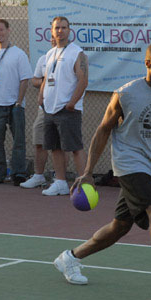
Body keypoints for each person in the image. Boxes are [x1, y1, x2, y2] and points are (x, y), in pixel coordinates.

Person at [52, 42, 151, 300]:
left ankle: (71, 257)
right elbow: (102, 131)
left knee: (120, 226)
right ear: (147, 64)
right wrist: (87, 172)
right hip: (127, 163)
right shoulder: (127, 94)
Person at [37, 16, 88, 196]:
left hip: (68, 110)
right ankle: (60, 182)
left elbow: (83, 80)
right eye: (57, 27)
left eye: (64, 27)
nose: (60, 30)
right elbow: (46, 77)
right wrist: (41, 95)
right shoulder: (50, 54)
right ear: (51, 31)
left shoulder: (77, 52)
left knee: (75, 147)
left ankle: (85, 184)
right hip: (49, 109)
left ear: (69, 30)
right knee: (55, 147)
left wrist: (72, 103)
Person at [0, 19, 32, 186]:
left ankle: (19, 174)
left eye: (1, 30)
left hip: (14, 104)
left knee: (18, 141)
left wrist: (19, 102)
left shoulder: (19, 54)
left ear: (8, 31)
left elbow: (25, 80)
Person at [20, 36, 57, 189]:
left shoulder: (70, 57)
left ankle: (58, 176)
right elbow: (34, 80)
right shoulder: (44, 58)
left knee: (59, 145)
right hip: (44, 110)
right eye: (52, 37)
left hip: (61, 109)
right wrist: (44, 81)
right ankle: (39, 176)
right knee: (39, 142)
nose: (55, 40)